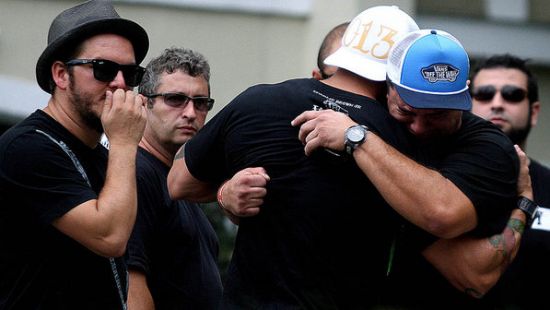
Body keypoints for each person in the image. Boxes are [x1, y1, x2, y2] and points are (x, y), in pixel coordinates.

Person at [168, 8, 519, 309]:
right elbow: (468, 264)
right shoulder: (400, 143)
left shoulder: (257, 101)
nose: (419, 123)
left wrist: (224, 188)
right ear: (395, 77)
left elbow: (179, 181)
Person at [291, 29, 525, 308]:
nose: (418, 127)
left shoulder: (489, 148)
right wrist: (227, 192)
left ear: (464, 98)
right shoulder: (367, 117)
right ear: (386, 90)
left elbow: (471, 270)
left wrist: (358, 139)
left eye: (437, 115)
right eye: (406, 111)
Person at [0, 1, 148, 309]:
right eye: (103, 69)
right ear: (61, 75)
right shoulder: (28, 147)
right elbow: (109, 237)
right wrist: (123, 142)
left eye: (131, 73)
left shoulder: (107, 160)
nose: (120, 84)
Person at [125, 47, 222, 309]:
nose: (191, 112)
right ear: (144, 103)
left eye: (201, 102)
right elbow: (130, 284)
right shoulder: (136, 172)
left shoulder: (177, 182)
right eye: (175, 99)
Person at [470, 54, 550, 309]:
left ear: (534, 111)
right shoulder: (440, 180)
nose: (497, 103)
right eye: (484, 94)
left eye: (512, 95)